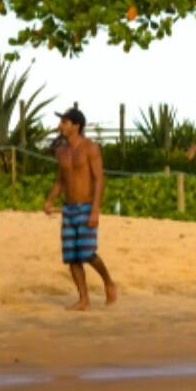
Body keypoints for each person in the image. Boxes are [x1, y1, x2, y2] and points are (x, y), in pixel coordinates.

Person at [42, 107, 117, 310]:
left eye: (65, 122)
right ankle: (83, 298)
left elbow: (99, 179)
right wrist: (49, 200)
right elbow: (60, 181)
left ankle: (108, 282)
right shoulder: (62, 151)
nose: (61, 126)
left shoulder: (90, 148)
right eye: (61, 122)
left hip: (86, 206)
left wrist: (95, 209)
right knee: (72, 257)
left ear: (76, 126)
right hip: (68, 208)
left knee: (87, 252)